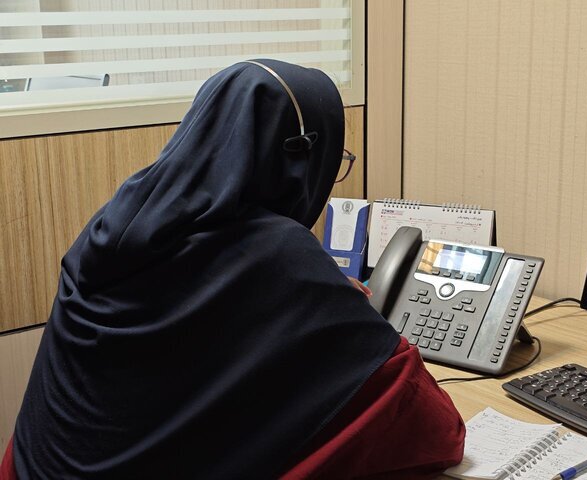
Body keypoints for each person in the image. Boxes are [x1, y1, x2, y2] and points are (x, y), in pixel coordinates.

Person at [1, 59, 464, 479]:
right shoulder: (282, 258)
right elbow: (434, 428)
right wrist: (342, 309)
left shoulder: (116, 223)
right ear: (299, 160)